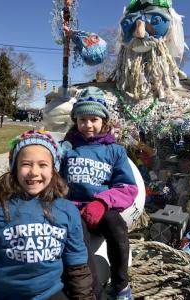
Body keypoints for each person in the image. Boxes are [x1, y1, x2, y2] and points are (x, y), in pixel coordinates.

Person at [0, 130, 95, 300]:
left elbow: (77, 265)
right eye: (26, 164)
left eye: (43, 165)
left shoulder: (67, 210)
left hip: (49, 293)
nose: (34, 172)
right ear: (14, 167)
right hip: (2, 295)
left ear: (53, 170)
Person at [60, 87, 138, 300]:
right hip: (73, 209)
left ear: (104, 120)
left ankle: (121, 286)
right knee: (79, 244)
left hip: (102, 208)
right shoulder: (66, 148)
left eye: (93, 119)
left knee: (118, 229)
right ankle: (91, 292)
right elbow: (53, 177)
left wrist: (102, 203)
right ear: (75, 120)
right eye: (82, 119)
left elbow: (128, 188)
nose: (88, 125)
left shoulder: (115, 151)